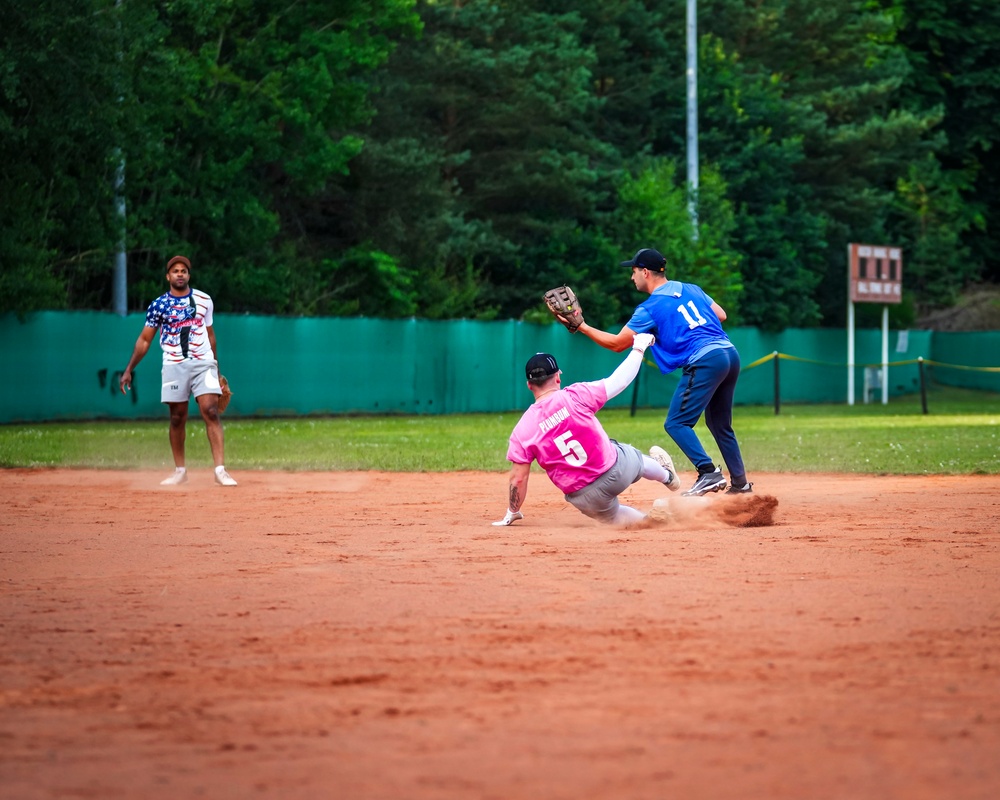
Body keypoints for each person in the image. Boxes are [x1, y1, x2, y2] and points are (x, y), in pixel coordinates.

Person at [573, 247, 751, 497]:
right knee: (720, 424)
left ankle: (708, 472)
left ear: (645, 272)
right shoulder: (690, 288)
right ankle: (741, 484)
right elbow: (720, 314)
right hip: (729, 354)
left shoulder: (650, 307)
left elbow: (617, 344)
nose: (631, 277)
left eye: (633, 272)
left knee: (677, 423)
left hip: (705, 360)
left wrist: (582, 327)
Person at [493, 335, 681, 528]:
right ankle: (667, 476)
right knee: (632, 456)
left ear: (529, 385)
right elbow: (620, 381)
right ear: (558, 377)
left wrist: (513, 511)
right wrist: (639, 348)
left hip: (585, 497)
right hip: (617, 470)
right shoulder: (575, 395)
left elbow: (518, 478)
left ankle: (648, 522)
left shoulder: (522, 429)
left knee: (614, 516)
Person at [119, 255, 237, 487]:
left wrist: (217, 370)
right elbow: (144, 340)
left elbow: (210, 336)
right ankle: (180, 471)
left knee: (210, 410)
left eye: (184, 270)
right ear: (168, 276)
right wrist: (129, 369)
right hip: (174, 365)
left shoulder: (204, 300)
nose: (180, 273)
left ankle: (220, 470)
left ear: (188, 275)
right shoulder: (158, 305)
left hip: (203, 363)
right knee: (176, 417)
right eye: (175, 271)